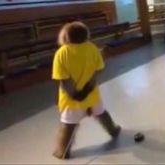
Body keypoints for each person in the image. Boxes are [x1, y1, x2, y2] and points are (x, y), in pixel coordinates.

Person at [52, 21, 121, 159]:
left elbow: (64, 79)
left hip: (71, 99)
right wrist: (88, 89)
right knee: (101, 113)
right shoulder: (92, 48)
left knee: (68, 125)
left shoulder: (61, 53)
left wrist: (75, 94)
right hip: (92, 94)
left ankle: (62, 151)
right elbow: (97, 70)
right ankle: (113, 130)